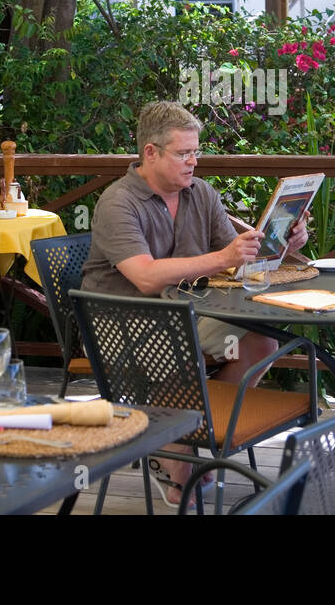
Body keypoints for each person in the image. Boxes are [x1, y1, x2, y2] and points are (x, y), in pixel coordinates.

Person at [80, 101, 309, 504]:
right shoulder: (118, 203)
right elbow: (146, 277)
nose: (194, 163)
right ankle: (177, 468)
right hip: (117, 324)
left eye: (196, 152)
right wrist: (223, 258)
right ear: (150, 152)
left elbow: (237, 259)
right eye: (184, 153)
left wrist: (281, 244)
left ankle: (194, 438)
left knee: (261, 343)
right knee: (181, 355)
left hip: (184, 314)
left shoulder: (199, 193)